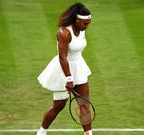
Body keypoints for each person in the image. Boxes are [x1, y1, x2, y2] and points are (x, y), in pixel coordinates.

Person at [36, 2, 92, 135]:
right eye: (85, 23)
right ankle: (41, 132)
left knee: (84, 104)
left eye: (88, 23)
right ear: (77, 20)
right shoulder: (64, 32)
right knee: (58, 106)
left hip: (79, 68)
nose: (87, 26)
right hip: (63, 70)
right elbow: (62, 57)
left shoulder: (82, 29)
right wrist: (69, 78)